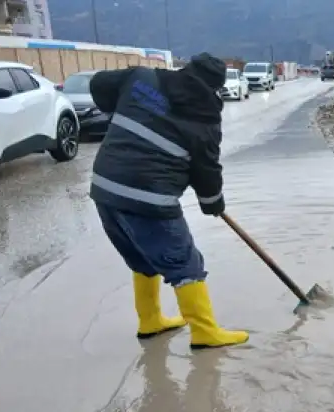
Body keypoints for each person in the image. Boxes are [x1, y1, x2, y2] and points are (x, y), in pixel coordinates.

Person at [88, 52, 249, 350]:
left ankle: (150, 320)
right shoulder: (205, 119)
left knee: (142, 258)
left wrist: (121, 108)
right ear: (215, 88)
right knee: (186, 263)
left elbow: (98, 82)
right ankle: (205, 332)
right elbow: (207, 169)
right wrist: (212, 202)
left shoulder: (142, 79)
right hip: (149, 198)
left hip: (105, 188)